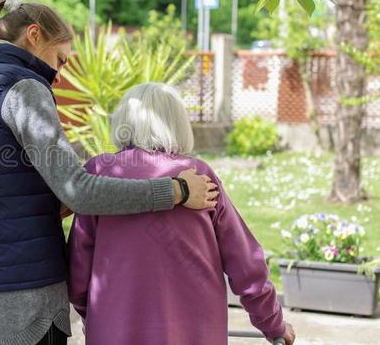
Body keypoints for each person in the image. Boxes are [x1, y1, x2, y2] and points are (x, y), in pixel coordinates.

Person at [0, 0, 218, 345]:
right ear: (34, 35)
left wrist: (47, 202)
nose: (60, 74)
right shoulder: (24, 88)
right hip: (27, 298)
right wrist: (176, 191)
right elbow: (78, 190)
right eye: (60, 59)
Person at [67, 83, 296, 345]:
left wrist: (93, 316)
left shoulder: (100, 172)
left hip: (117, 330)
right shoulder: (199, 176)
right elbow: (245, 264)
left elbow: (78, 266)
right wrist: (273, 324)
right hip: (195, 333)